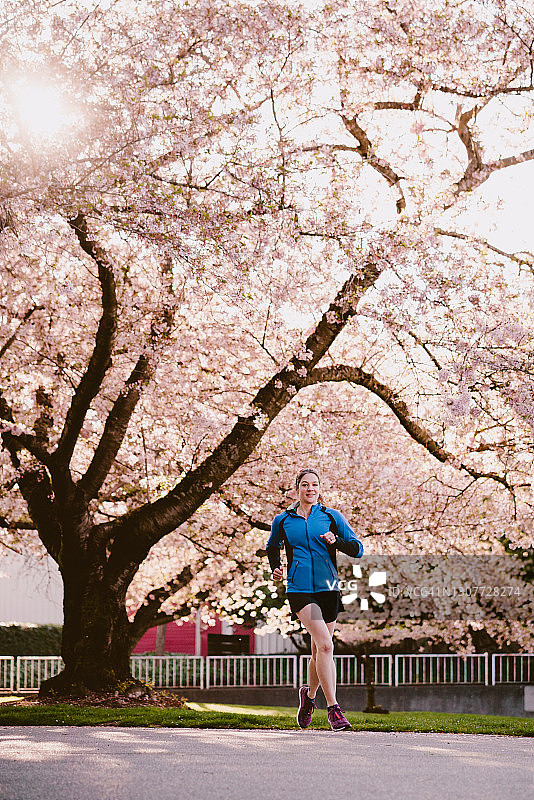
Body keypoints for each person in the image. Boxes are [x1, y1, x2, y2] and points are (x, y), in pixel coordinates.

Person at [266, 468, 363, 731]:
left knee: (318, 650)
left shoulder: (331, 516)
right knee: (327, 646)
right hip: (299, 588)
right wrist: (276, 566)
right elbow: (272, 545)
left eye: (315, 485)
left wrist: (337, 540)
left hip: (328, 587)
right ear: (297, 488)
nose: (310, 489)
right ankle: (334, 709)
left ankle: (308, 699)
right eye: (305, 484)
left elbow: (357, 549)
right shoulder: (283, 520)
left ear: (320, 489)